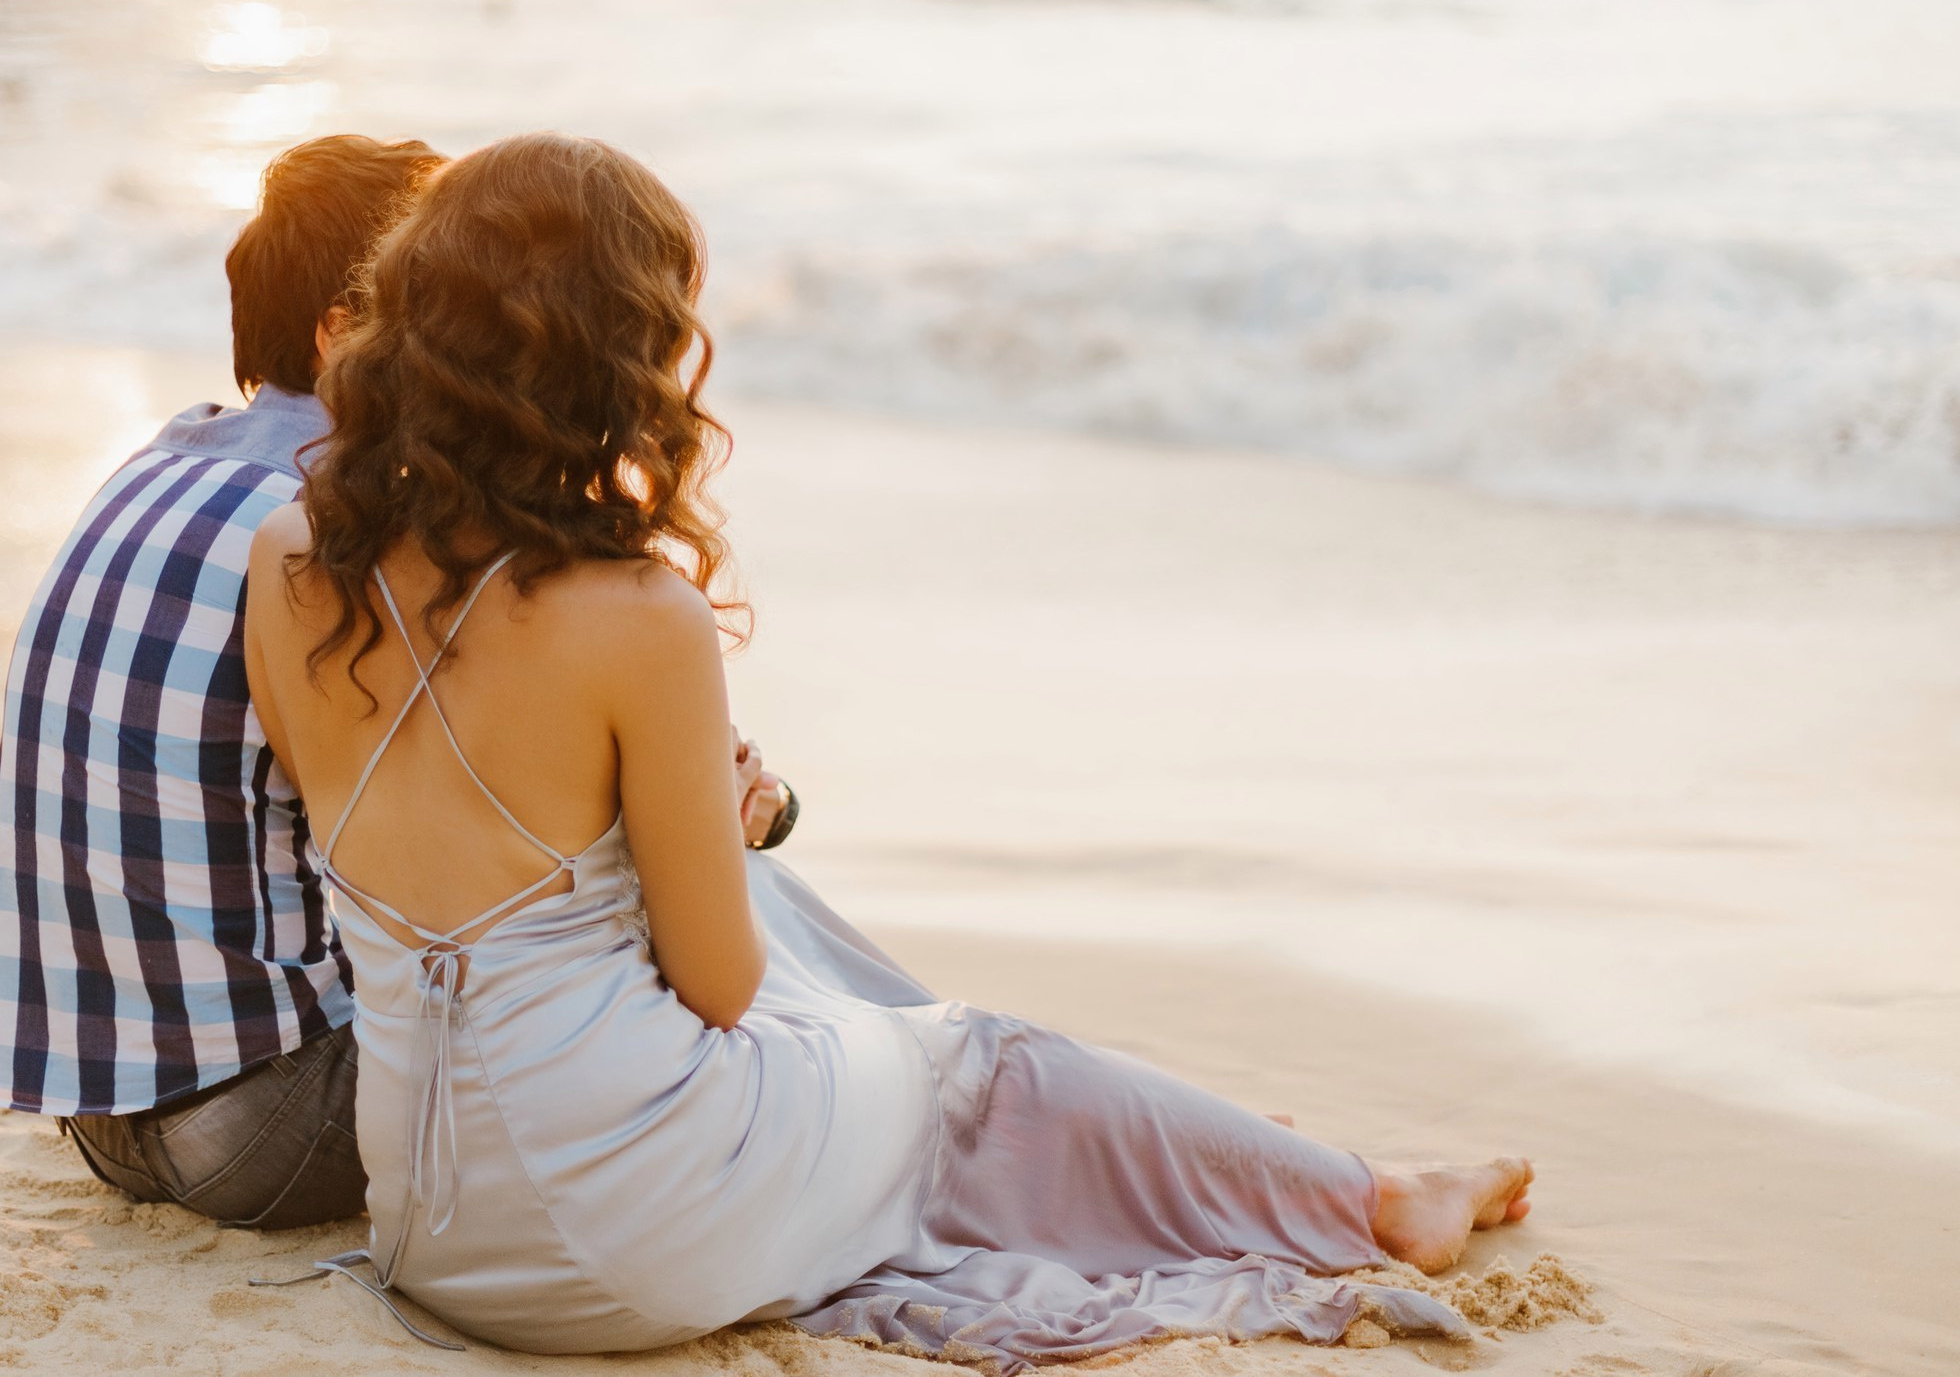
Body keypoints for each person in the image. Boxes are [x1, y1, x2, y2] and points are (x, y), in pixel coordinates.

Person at [240, 132, 1536, 1363]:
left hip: (438, 1232)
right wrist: (709, 820)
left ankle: (1226, 1155)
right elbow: (722, 986)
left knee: (889, 1050)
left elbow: (372, 838)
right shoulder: (634, 615)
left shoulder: (289, 557)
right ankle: (1375, 1196)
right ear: (617, 351)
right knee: (965, 1059)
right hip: (633, 1236)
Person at [0, 133, 447, 1226]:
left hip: (102, 1116)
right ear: (341, 334)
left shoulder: (159, 464)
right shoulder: (336, 520)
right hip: (262, 1130)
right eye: (446, 302)